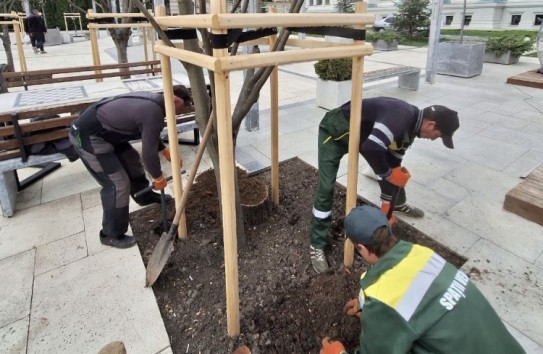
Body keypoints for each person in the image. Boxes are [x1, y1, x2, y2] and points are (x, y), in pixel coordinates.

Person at [319, 204, 525, 354]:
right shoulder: (423, 254)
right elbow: (421, 300)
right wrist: (369, 306)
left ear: (361, 248)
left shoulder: (384, 298)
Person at [310, 97, 460, 273]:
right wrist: (388, 175)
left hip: (363, 137)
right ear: (431, 125)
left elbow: (393, 165)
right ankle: (317, 244)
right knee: (327, 186)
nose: (435, 140)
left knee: (395, 173)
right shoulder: (400, 117)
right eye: (439, 136)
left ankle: (397, 205)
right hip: (336, 131)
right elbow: (371, 148)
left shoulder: (410, 132)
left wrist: (387, 206)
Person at [69, 86, 192, 249]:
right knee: (117, 184)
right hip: (89, 137)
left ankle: (144, 197)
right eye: (182, 108)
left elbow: (147, 131)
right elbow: (149, 155)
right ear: (175, 100)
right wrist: (158, 177)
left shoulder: (156, 102)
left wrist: (163, 149)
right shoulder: (153, 111)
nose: (181, 113)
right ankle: (110, 234)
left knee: (132, 161)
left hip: (109, 133)